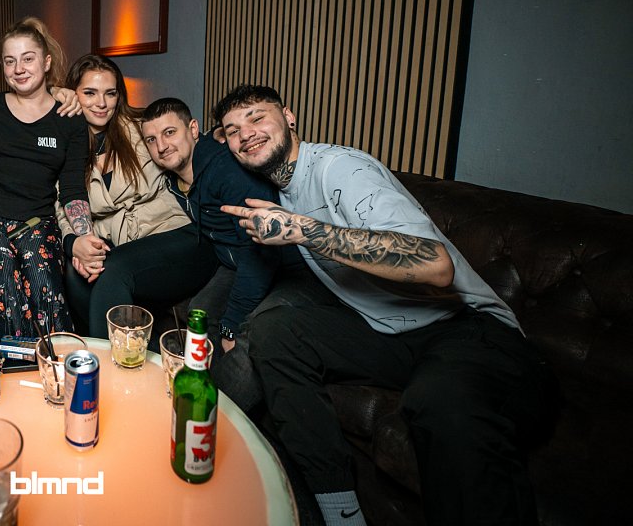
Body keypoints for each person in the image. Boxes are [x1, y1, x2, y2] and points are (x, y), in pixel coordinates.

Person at [214, 84, 556, 526]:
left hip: (463, 326)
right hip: (390, 333)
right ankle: (340, 512)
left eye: (257, 117)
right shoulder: (281, 189)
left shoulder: (339, 168)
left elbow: (436, 265)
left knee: (439, 401)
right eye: (233, 130)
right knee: (274, 331)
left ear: (290, 117)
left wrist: (300, 230)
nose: (246, 134)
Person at [0, 18, 91, 336]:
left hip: (35, 219)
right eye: (10, 61)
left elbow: (72, 188)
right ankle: (5, 361)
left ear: (46, 62)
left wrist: (84, 236)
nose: (19, 68)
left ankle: (54, 361)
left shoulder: (69, 118)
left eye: (28, 58)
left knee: (44, 285)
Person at [59, 55, 217, 338]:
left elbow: (186, 143)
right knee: (75, 274)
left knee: (113, 269)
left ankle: (111, 361)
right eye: (90, 93)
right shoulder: (65, 144)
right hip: (125, 246)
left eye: (110, 93)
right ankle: (131, 351)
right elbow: (60, 205)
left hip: (175, 233)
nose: (101, 103)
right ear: (73, 95)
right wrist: (75, 243)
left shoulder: (141, 128)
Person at [139, 97, 278, 352]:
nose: (161, 146)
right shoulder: (172, 181)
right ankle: (198, 371)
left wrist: (231, 324)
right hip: (230, 263)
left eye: (169, 132)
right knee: (199, 312)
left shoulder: (226, 171)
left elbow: (258, 252)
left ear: (193, 129)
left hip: (268, 262)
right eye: (151, 139)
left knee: (234, 336)